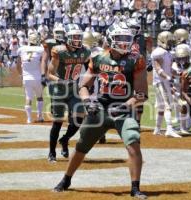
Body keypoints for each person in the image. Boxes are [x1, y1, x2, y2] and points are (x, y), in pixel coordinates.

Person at [53, 22, 148, 199]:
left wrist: (125, 105)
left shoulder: (137, 60)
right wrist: (87, 102)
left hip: (124, 110)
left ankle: (135, 188)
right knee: (82, 146)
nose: (124, 42)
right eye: (120, 38)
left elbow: (142, 94)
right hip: (101, 109)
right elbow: (83, 85)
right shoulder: (98, 58)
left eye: (127, 38)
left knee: (133, 142)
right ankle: (66, 179)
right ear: (111, 39)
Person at [46, 24, 91, 162]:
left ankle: (64, 139)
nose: (78, 40)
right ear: (68, 38)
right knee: (58, 122)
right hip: (59, 90)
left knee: (80, 118)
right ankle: (52, 152)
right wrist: (61, 81)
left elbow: (89, 68)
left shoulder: (84, 51)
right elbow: (49, 74)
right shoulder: (59, 51)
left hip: (73, 90)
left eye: (79, 37)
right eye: (75, 37)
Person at [152, 31, 182, 138]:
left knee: (161, 107)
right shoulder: (159, 52)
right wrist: (167, 77)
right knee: (167, 105)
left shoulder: (166, 52)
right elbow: (158, 68)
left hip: (162, 81)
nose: (170, 43)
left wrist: (176, 73)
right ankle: (169, 129)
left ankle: (157, 129)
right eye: (169, 41)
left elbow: (167, 69)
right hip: (161, 81)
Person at [16, 32, 44, 124]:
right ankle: (39, 116)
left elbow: (18, 64)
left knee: (28, 98)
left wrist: (21, 75)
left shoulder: (22, 49)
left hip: (26, 77)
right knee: (39, 97)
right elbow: (43, 63)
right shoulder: (40, 49)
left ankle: (29, 119)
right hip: (37, 77)